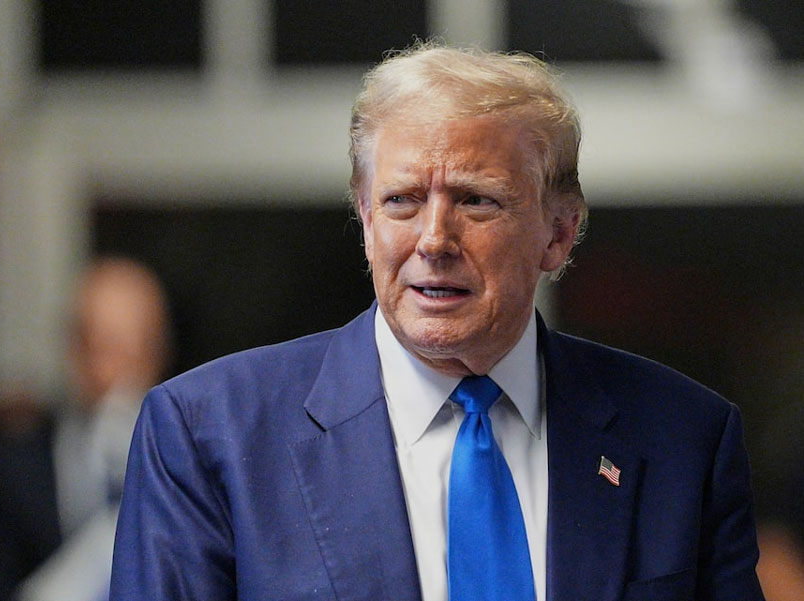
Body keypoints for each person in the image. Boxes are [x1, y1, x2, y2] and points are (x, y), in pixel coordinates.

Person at [110, 43, 763, 601]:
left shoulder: (684, 440)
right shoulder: (209, 434)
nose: (433, 239)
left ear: (559, 233)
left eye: (476, 200)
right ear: (366, 221)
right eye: (402, 200)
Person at [0, 257, 172, 601]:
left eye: (128, 350)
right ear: (72, 349)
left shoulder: (186, 467)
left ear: (158, 352)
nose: (108, 373)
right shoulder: (13, 465)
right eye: (96, 345)